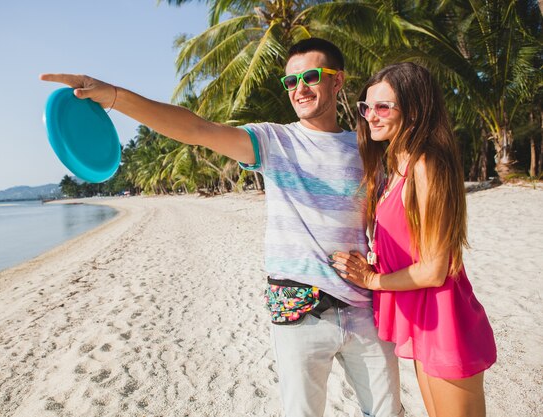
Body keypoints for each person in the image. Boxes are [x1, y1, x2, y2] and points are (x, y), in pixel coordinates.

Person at [41, 37, 403, 417]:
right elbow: (197, 128)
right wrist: (114, 97)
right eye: (290, 82)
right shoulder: (274, 141)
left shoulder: (367, 147)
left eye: (310, 77)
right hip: (299, 310)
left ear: (337, 81)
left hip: (365, 308)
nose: (299, 89)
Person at [330, 62, 496, 417]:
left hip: (444, 317)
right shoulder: (396, 169)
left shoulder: (426, 165)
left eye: (383, 107)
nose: (370, 117)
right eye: (366, 107)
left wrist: (373, 280)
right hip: (422, 316)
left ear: (415, 111)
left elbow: (436, 269)